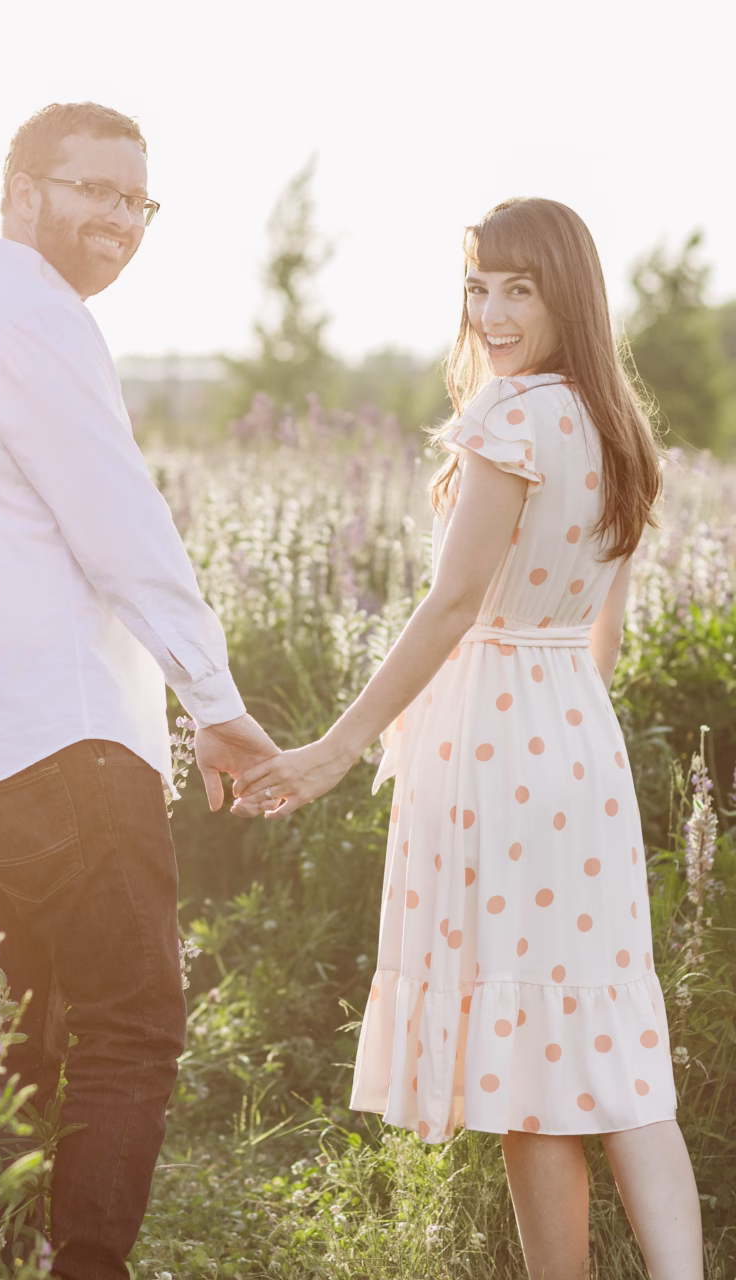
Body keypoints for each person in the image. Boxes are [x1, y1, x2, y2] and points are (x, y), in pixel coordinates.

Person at [236, 197, 698, 1279]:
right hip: (575, 736)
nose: (489, 311)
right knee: (600, 1042)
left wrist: (338, 744)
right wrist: (560, 738)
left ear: (564, 295)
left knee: (535, 1050)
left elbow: (450, 606)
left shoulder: (512, 419)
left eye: (516, 288)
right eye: (476, 286)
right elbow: (604, 633)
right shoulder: (617, 427)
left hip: (496, 734)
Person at [0, 101, 280, 1279]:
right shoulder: (30, 319)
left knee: (13, 1038)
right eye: (92, 190)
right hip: (63, 733)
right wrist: (211, 695)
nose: (117, 217)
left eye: (134, 200)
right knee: (126, 1020)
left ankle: (7, 1257)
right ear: (20, 191)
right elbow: (120, 522)